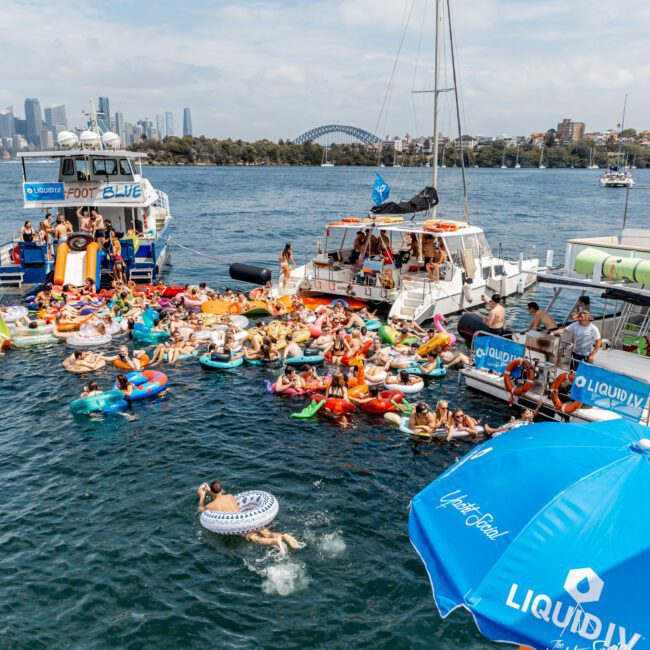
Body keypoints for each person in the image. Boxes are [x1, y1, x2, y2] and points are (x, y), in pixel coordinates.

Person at [197, 481, 299, 552]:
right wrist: (211, 490)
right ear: (222, 489)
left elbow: (201, 510)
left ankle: (275, 541)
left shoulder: (211, 505)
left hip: (240, 525)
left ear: (212, 492)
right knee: (266, 532)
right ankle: (283, 536)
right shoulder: (230, 496)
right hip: (251, 519)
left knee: (254, 538)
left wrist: (202, 496)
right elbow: (218, 494)